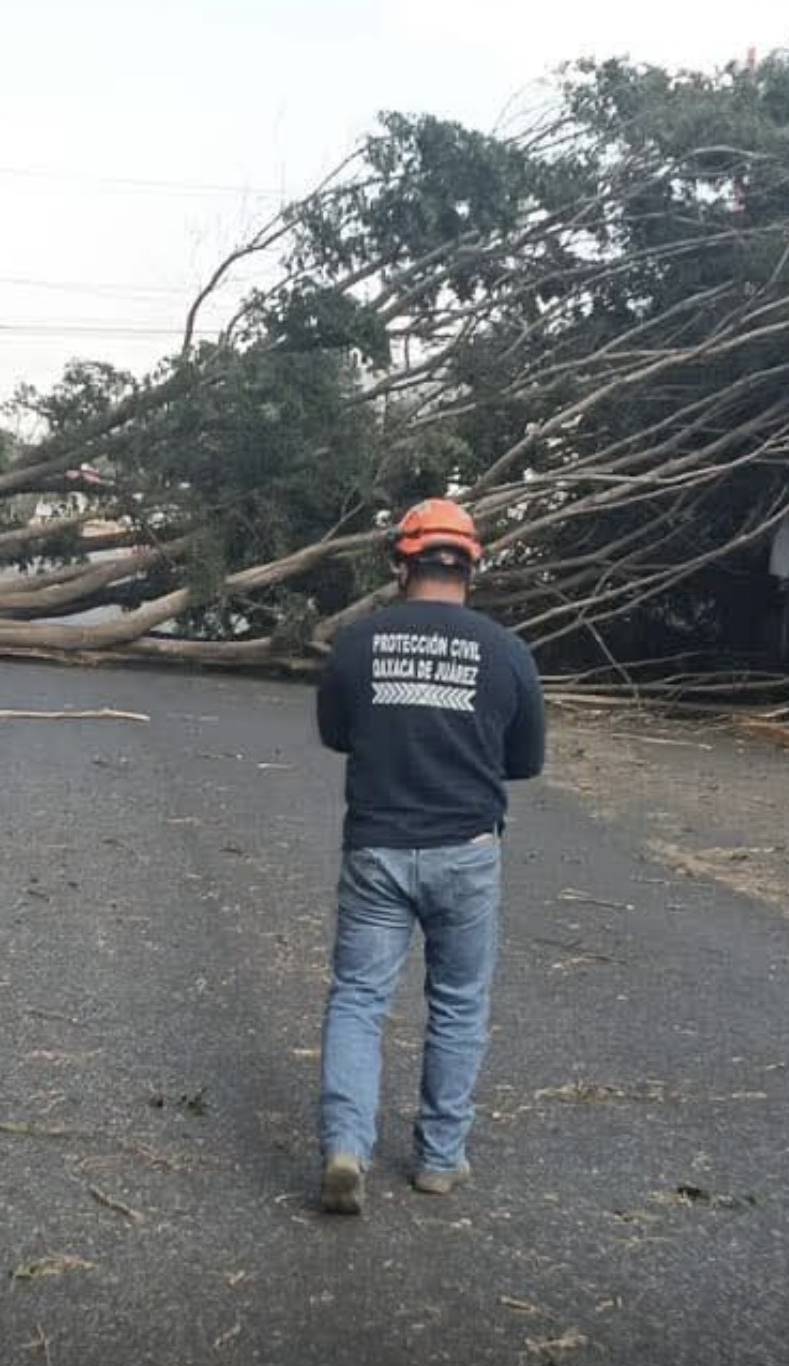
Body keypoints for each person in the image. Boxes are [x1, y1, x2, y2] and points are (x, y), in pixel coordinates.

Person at [315, 498, 546, 1215]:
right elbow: (525, 760)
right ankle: (440, 1159)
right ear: (471, 565)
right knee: (458, 1002)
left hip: (378, 847)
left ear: (400, 563)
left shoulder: (359, 642)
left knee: (359, 997)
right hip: (467, 852)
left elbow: (335, 733)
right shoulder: (507, 651)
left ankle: (346, 1145)